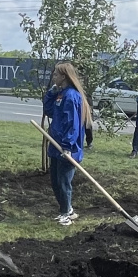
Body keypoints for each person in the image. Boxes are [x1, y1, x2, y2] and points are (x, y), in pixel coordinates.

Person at [43, 62, 91, 225]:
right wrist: (51, 93)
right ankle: (67, 209)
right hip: (56, 144)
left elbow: (72, 124)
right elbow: (49, 111)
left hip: (68, 147)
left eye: (56, 74)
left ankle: (66, 214)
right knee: (55, 181)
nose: (54, 77)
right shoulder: (60, 94)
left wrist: (68, 147)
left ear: (64, 77)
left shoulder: (71, 96)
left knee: (63, 181)